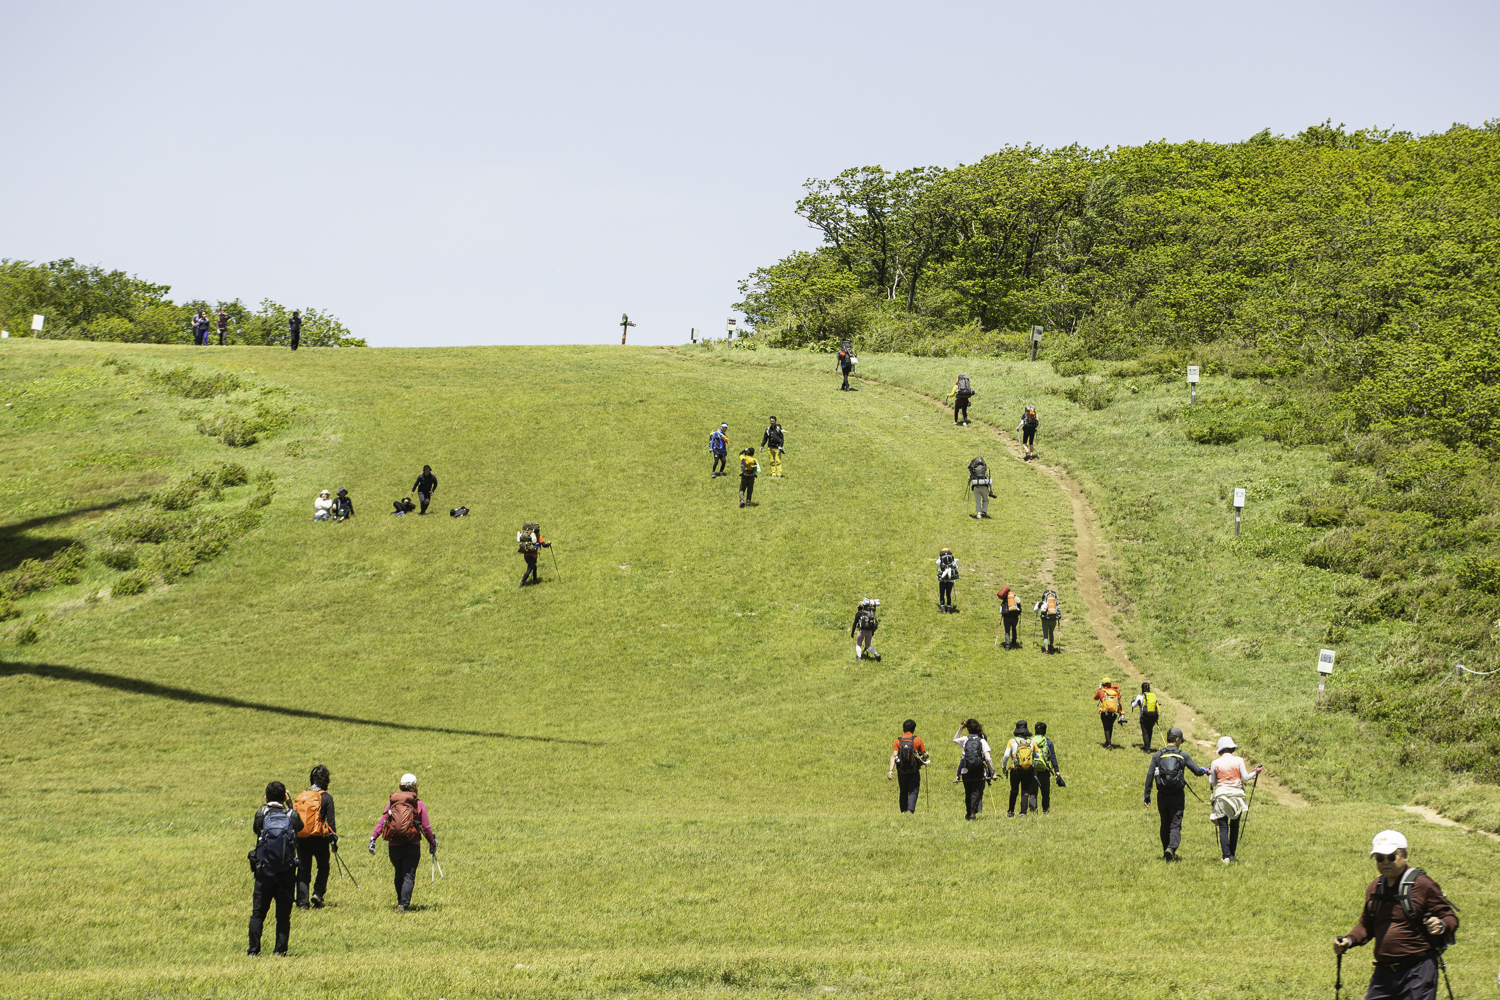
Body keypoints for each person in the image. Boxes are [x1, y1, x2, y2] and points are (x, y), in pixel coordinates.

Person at [1334, 830, 1459, 1000]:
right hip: (1384, 973)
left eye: (1391, 857)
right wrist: (1348, 941)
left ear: (1405, 855)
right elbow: (1366, 925)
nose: (1385, 862)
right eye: (1379, 858)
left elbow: (1449, 917)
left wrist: (1441, 925)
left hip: (1418, 971)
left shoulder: (1422, 884)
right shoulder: (1375, 887)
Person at [368, 773, 439, 912]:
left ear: (401, 786)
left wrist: (373, 838)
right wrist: (432, 842)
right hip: (412, 845)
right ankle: (404, 904)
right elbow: (426, 827)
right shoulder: (418, 804)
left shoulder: (392, 803)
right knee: (409, 875)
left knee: (398, 873)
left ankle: (400, 901)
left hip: (394, 847)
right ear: (415, 787)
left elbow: (383, 821)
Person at [247, 780, 302, 956]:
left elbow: (257, 831)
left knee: (258, 914)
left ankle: (253, 951)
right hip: (286, 871)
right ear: (284, 796)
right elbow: (299, 827)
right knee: (283, 916)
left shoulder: (261, 814)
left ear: (266, 796)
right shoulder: (291, 815)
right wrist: (290, 803)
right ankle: (280, 951)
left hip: (264, 871)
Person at [1142, 727, 1207, 861]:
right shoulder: (1183, 755)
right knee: (1175, 824)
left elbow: (1149, 775)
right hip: (1177, 795)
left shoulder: (1158, 755)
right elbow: (1197, 771)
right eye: (1181, 741)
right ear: (1177, 740)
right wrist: (1205, 770)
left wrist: (1147, 795)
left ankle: (1167, 851)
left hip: (1162, 795)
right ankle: (1171, 848)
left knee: (1164, 823)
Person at [1207, 736, 1262, 863]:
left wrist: (1209, 774)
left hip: (1221, 796)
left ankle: (1225, 856)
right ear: (1231, 748)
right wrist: (1255, 772)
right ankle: (1232, 854)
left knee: (1223, 827)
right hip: (1237, 796)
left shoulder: (1215, 763)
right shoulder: (1239, 760)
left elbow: (1213, 783)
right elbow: (1246, 777)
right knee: (1235, 826)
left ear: (1220, 750)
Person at [292, 764, 338, 910]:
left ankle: (302, 903)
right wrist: (334, 842)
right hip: (319, 838)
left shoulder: (302, 796)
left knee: (304, 869)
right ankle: (318, 893)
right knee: (323, 866)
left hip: (301, 838)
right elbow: (330, 822)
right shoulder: (326, 797)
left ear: (311, 779)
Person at [886, 719, 929, 813]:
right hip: (914, 770)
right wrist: (926, 755)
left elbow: (894, 755)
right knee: (913, 791)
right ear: (914, 730)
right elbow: (924, 754)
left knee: (903, 792)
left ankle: (903, 811)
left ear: (903, 729)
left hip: (901, 770)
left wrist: (890, 771)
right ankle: (910, 811)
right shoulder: (917, 740)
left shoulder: (898, 741)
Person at [953, 719, 993, 820]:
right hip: (978, 770)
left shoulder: (965, 740)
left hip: (965, 770)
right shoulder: (982, 741)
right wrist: (992, 772)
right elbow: (988, 758)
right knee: (975, 791)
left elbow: (955, 739)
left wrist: (961, 728)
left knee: (968, 791)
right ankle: (972, 813)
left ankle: (968, 812)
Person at [1002, 720, 1040, 817]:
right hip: (1028, 769)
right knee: (1025, 790)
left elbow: (1006, 755)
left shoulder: (1012, 741)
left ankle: (1011, 811)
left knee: (1014, 790)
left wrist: (1004, 766)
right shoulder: (1031, 741)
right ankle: (1023, 812)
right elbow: (1037, 755)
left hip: (1015, 769)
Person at [1033, 721, 1064, 813]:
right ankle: (1046, 810)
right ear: (1045, 732)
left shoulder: (1030, 741)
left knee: (1033, 794)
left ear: (1035, 731)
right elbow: (1053, 757)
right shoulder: (1048, 742)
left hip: (1033, 771)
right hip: (1045, 771)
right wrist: (1057, 771)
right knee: (1045, 794)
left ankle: (1033, 812)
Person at [518, 522, 550, 587]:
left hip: (526, 555)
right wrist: (549, 543)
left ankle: (535, 581)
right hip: (532, 556)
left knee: (534, 567)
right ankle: (522, 583)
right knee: (529, 569)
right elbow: (544, 545)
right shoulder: (539, 537)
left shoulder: (528, 537)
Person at [1131, 682, 1161, 752]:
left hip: (1144, 716)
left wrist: (1132, 701)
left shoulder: (1140, 696)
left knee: (1145, 731)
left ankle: (1147, 748)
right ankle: (1148, 745)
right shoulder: (1153, 695)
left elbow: (1133, 705)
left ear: (1142, 688)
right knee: (1150, 730)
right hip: (1153, 716)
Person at [1094, 676, 1123, 748]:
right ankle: (1109, 741)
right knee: (1110, 727)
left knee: (1106, 728)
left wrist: (1099, 688)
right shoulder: (1115, 692)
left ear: (1103, 684)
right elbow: (1119, 703)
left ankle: (1108, 744)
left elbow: (1095, 698)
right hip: (1114, 713)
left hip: (1104, 712)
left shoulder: (1101, 691)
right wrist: (1121, 713)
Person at [1035, 588, 1061, 653]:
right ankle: (1051, 646)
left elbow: (1035, 610)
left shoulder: (1042, 603)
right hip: (1053, 620)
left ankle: (1046, 650)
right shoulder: (1055, 603)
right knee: (1051, 633)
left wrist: (1037, 604)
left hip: (1045, 621)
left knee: (1045, 636)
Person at [936, 548, 958, 613]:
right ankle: (948, 608)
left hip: (943, 579)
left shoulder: (941, 559)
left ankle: (942, 608)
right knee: (948, 594)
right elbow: (956, 567)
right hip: (951, 580)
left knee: (942, 594)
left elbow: (936, 563)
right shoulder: (952, 559)